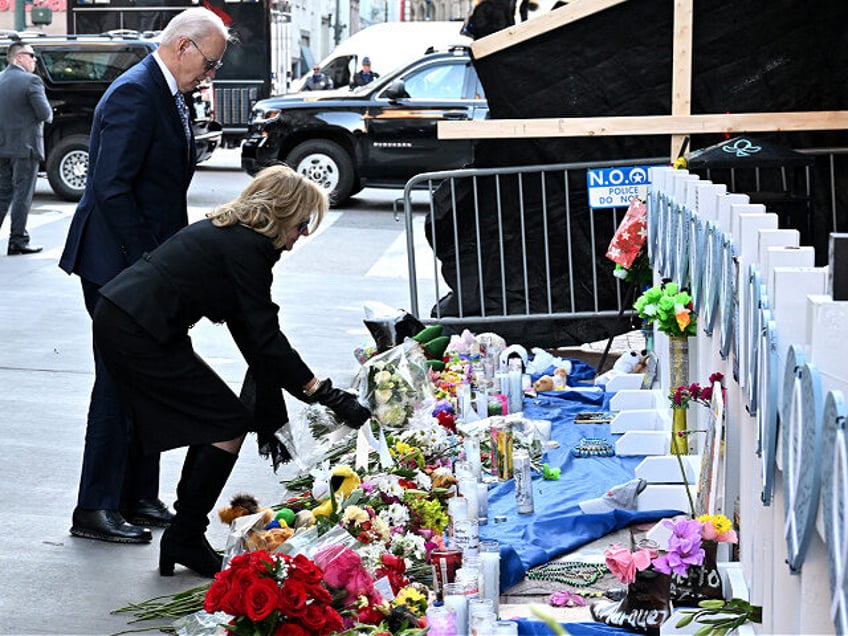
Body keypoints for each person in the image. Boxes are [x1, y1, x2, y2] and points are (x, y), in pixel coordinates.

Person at [91, 165, 371, 577]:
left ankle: (184, 534)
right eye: (302, 225)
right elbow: (263, 334)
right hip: (137, 327)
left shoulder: (236, 237)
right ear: (283, 211)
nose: (299, 239)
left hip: (133, 320)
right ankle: (184, 535)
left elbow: (250, 329)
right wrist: (321, 392)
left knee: (222, 418)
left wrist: (308, 388)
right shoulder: (247, 247)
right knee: (225, 420)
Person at [58, 7, 231, 544]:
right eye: (209, 62)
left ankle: (136, 494)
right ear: (183, 45)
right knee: (118, 378)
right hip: (117, 264)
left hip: (140, 262)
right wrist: (147, 269)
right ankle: (95, 506)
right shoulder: (136, 92)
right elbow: (111, 189)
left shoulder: (168, 92)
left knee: (141, 377)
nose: (211, 74)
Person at [0, 42, 53, 255]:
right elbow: (44, 113)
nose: (35, 60)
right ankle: (18, 240)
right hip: (26, 148)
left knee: (2, 194)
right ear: (19, 57)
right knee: (23, 194)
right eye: (32, 55)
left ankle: (17, 239)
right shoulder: (31, 81)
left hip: (2, 147)